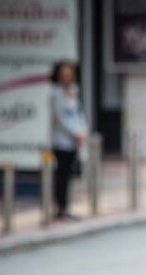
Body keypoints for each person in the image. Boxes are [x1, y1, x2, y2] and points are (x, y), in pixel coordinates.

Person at [50, 60, 89, 221]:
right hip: (61, 141)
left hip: (74, 142)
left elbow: (79, 114)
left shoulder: (74, 92)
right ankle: (60, 208)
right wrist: (75, 133)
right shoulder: (55, 94)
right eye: (64, 74)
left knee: (69, 176)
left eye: (70, 74)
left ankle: (66, 207)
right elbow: (61, 118)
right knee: (61, 175)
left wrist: (83, 131)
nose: (67, 77)